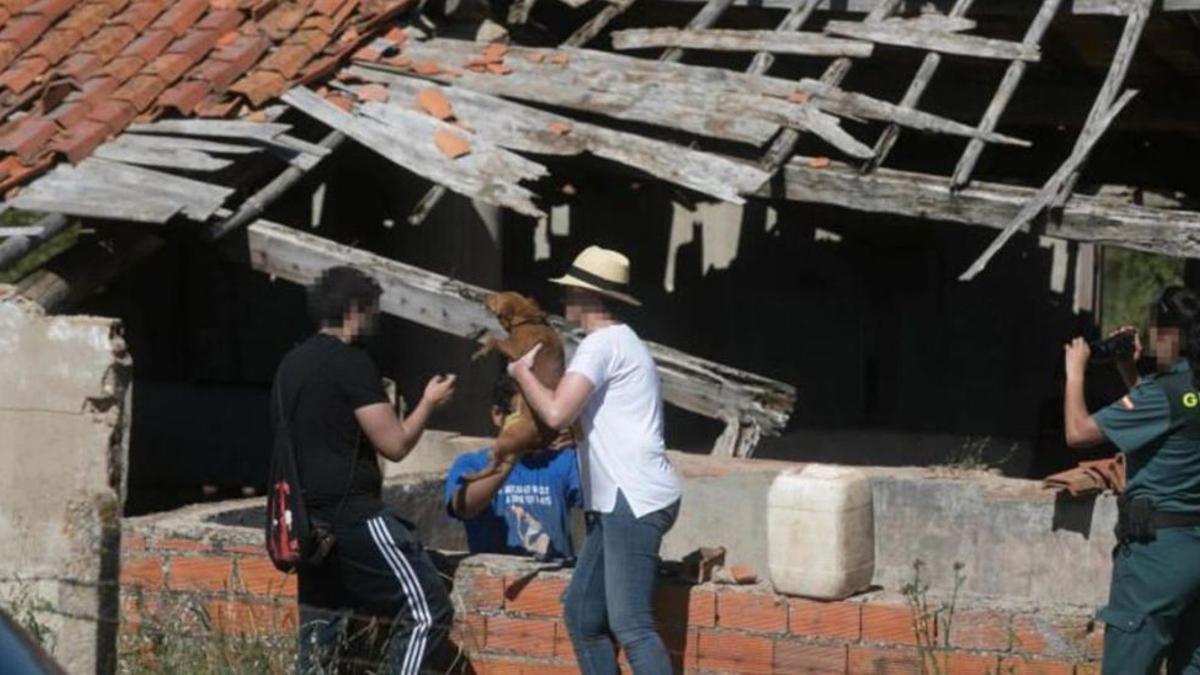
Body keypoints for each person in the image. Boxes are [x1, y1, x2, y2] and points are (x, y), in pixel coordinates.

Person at [271, 266, 457, 674]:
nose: (376, 321)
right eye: (373, 311)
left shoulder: (290, 365)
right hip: (352, 517)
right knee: (428, 611)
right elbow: (394, 445)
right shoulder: (351, 363)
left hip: (309, 525)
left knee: (320, 641)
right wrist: (429, 402)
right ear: (354, 311)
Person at [506, 246, 682, 675]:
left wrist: (522, 373)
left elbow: (555, 412)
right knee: (583, 615)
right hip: (621, 498)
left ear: (587, 297)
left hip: (631, 497)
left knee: (631, 624)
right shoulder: (622, 342)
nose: (564, 300)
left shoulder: (600, 345)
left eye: (570, 292)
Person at [1063, 286, 1200, 674]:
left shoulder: (1165, 392)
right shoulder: (1182, 390)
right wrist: (1129, 369)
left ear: (1170, 335)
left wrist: (1075, 370)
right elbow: (1168, 417)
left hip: (1157, 560)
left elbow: (1078, 432)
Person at [443, 377, 582, 560]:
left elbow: (603, 498)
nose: (537, 426)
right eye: (528, 417)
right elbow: (463, 507)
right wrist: (509, 456)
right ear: (498, 415)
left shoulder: (562, 462)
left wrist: (584, 442)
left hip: (554, 582)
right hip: (494, 582)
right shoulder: (473, 463)